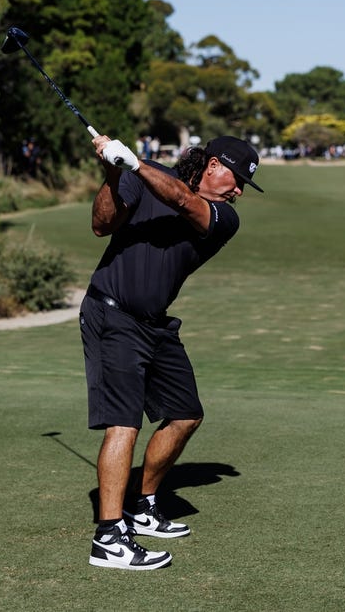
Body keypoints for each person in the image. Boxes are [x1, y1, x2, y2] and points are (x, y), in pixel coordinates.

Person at [81, 133, 263, 571]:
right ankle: (108, 538)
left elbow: (183, 201)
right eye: (237, 179)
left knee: (186, 413)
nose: (238, 191)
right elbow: (103, 223)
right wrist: (112, 169)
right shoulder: (143, 176)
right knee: (124, 424)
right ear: (213, 164)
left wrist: (133, 164)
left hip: (155, 323)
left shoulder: (223, 217)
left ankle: (142, 503)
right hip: (111, 314)